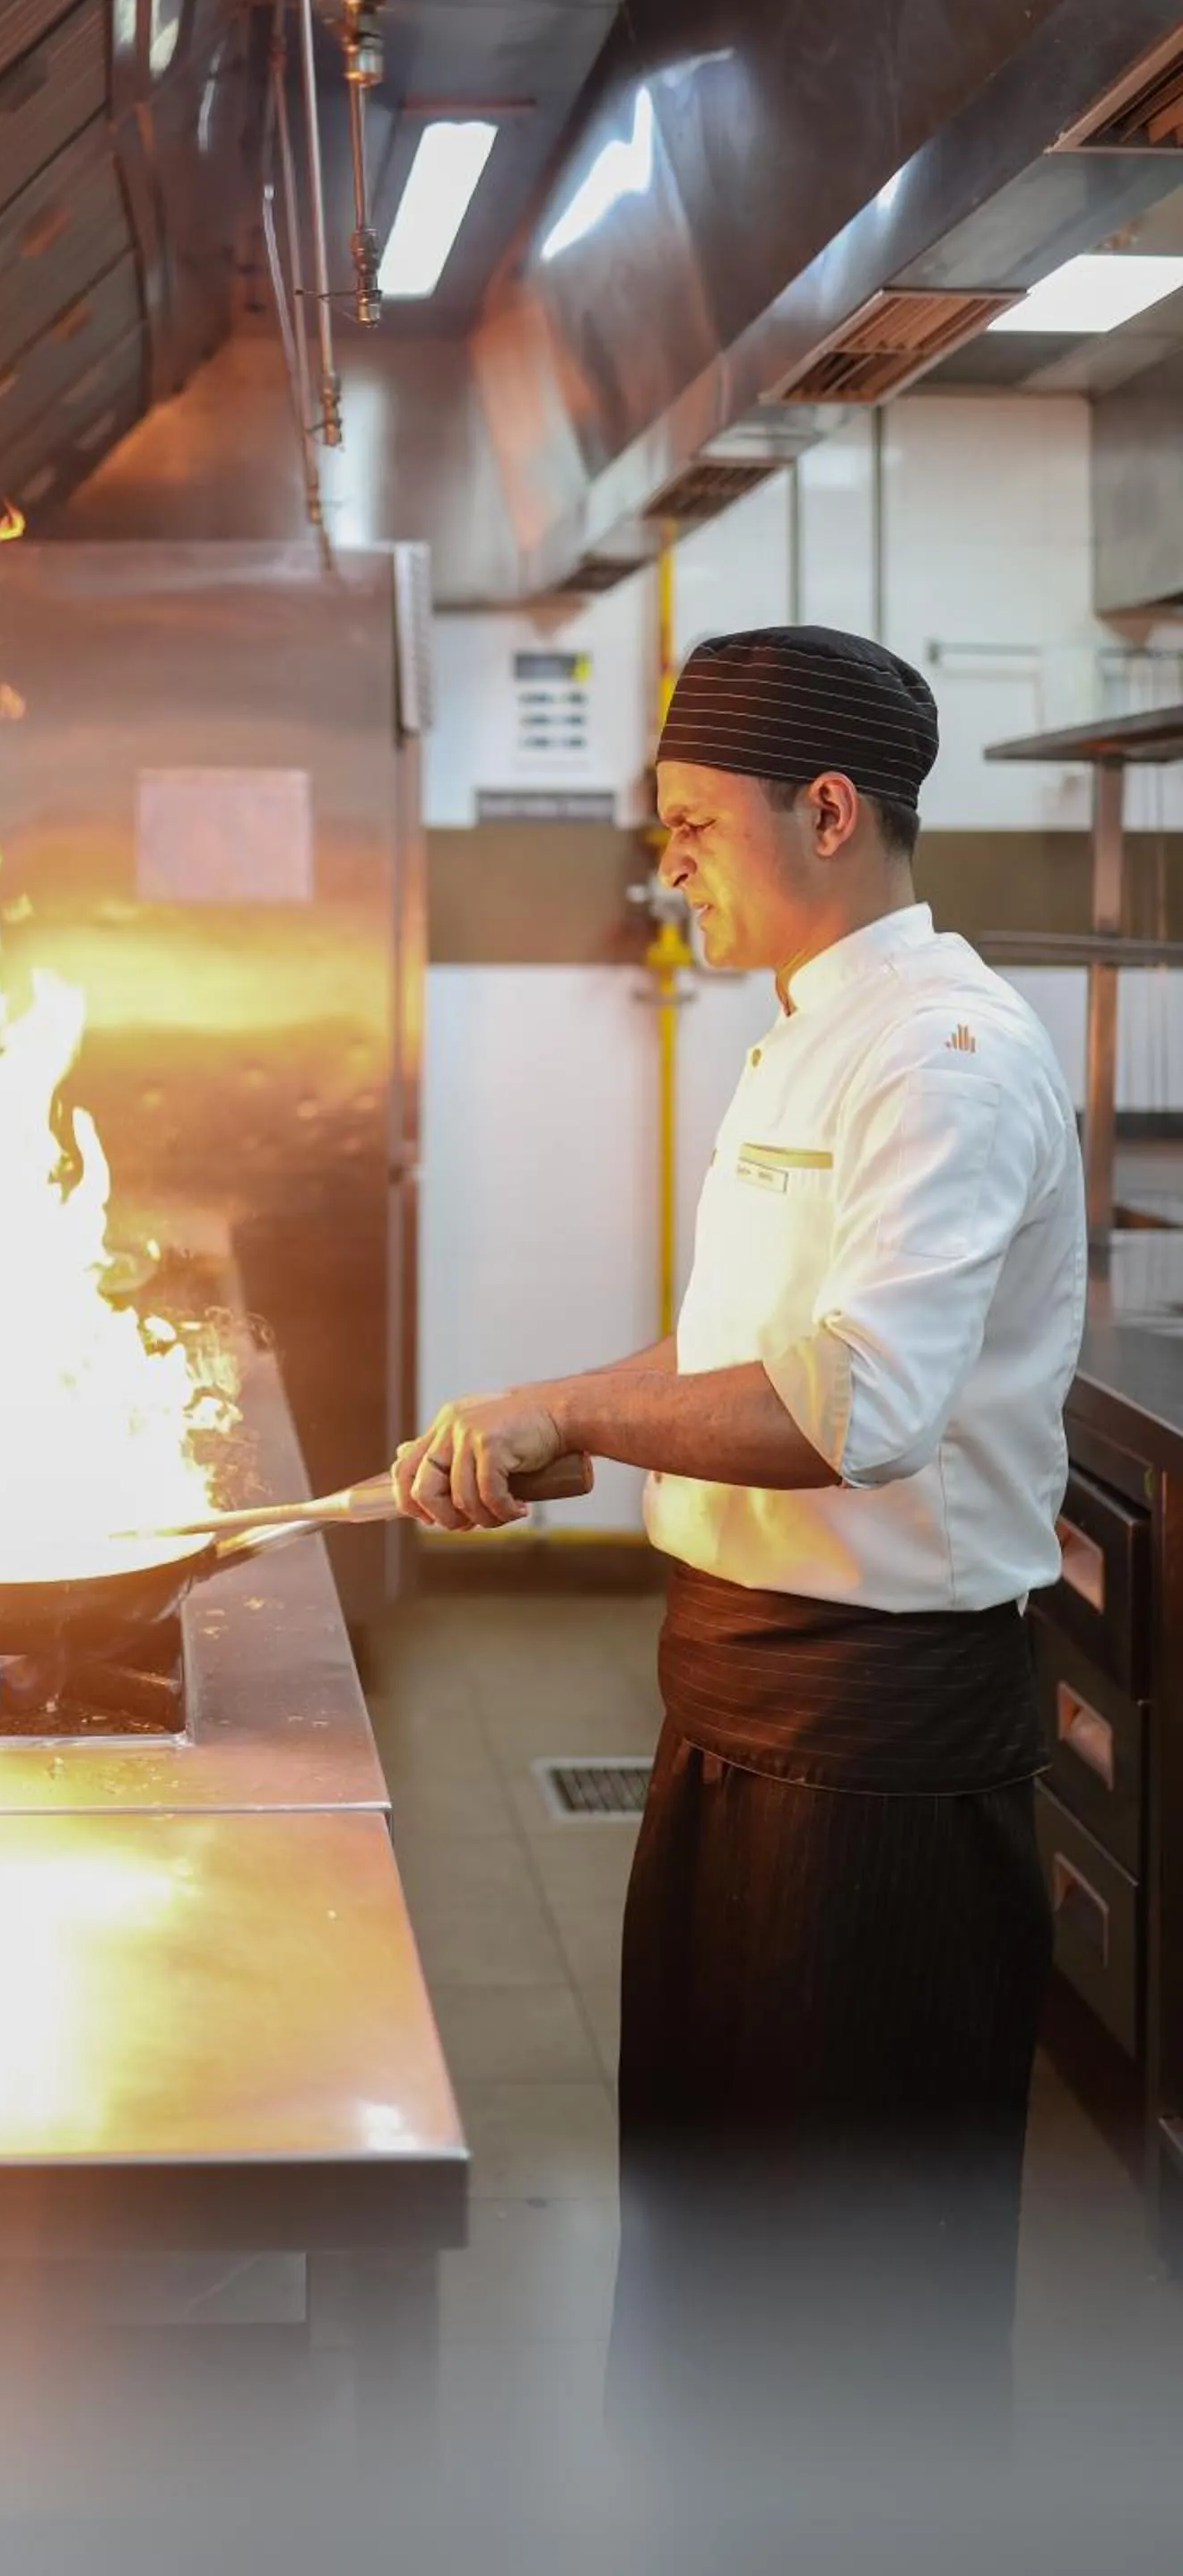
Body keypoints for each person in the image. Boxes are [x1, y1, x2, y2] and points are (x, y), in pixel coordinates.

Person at [394, 624, 1086, 2455]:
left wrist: (584, 1420)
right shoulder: (801, 1041)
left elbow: (856, 1405)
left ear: (830, 813)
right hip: (738, 1703)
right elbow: (730, 1364)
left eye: (695, 824)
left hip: (878, 1745)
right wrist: (542, 1412)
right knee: (719, 2234)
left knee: (847, 2296)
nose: (668, 862)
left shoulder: (937, 1056)